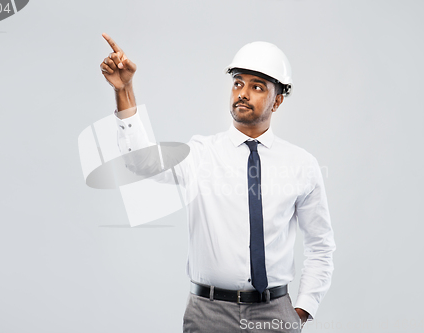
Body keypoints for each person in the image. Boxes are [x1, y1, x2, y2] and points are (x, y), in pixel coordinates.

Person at [99, 33, 336, 333]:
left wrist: (301, 310)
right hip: (208, 314)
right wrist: (125, 90)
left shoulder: (302, 165)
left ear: (277, 101)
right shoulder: (200, 154)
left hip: (275, 311)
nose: (243, 93)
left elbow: (321, 245)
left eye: (257, 87)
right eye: (238, 83)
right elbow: (141, 161)